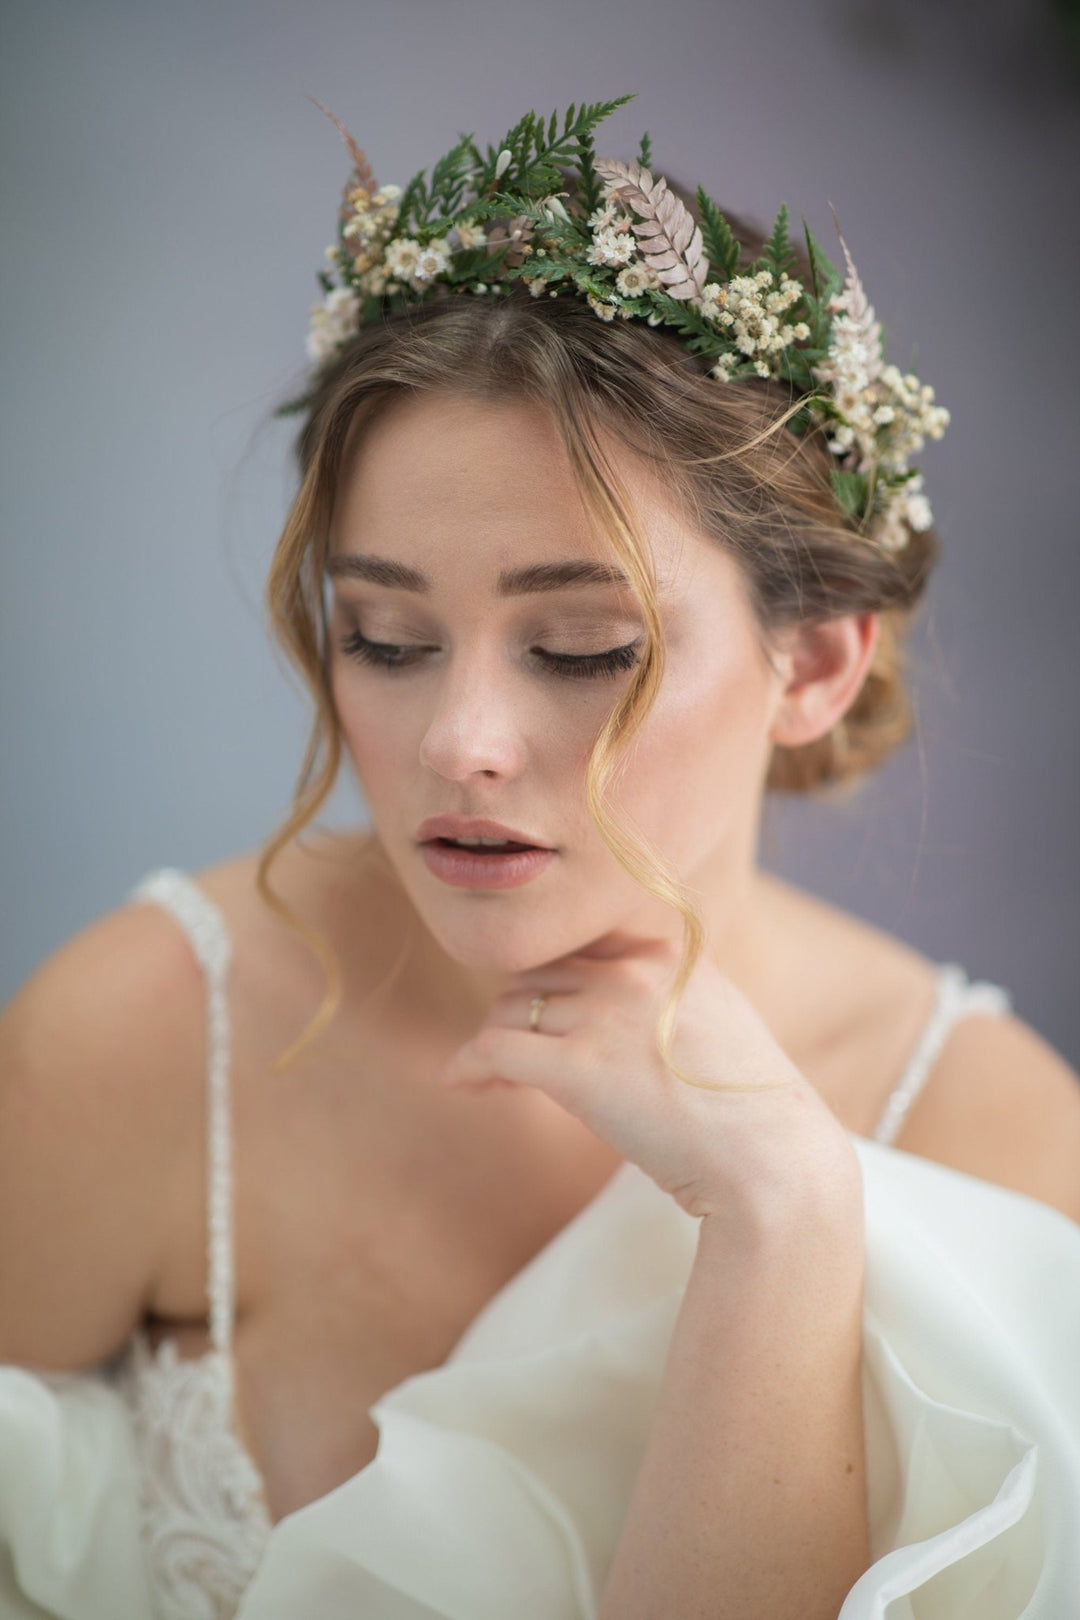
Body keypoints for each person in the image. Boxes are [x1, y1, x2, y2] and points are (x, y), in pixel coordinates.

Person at [1, 94, 1078, 1620]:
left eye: (583, 649)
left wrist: (784, 1215)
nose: (460, 742)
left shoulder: (1005, 1147)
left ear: (817, 665)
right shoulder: (144, 1040)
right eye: (387, 638)